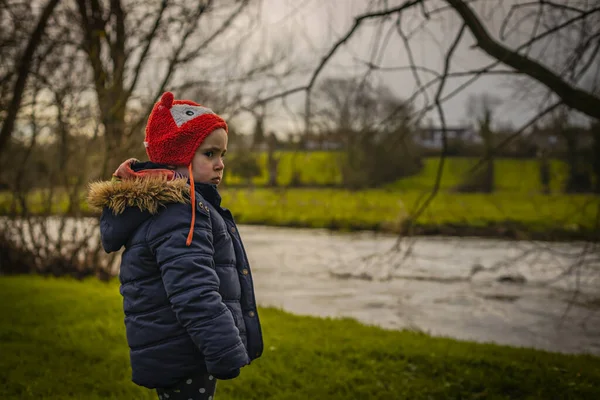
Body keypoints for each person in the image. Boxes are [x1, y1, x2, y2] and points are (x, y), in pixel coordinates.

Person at [88, 92, 263, 400]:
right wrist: (225, 349)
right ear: (179, 157)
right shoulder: (180, 214)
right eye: (209, 154)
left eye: (223, 154)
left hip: (179, 345)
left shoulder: (185, 207)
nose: (220, 164)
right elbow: (193, 290)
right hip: (185, 352)